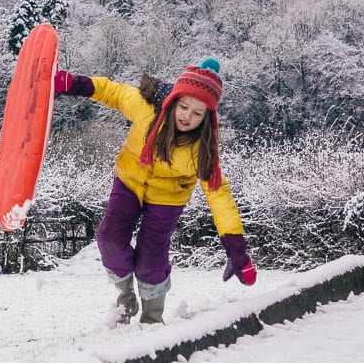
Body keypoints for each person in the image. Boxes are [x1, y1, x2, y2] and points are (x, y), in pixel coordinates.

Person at [54, 57, 256, 324]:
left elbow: (219, 196)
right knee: (109, 240)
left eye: (197, 113)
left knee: (151, 258)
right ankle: (126, 300)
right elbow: (111, 91)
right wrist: (70, 83)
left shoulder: (203, 150)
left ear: (208, 118)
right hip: (130, 180)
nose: (187, 116)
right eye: (184, 107)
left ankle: (152, 317)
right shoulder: (145, 107)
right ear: (173, 100)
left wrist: (236, 249)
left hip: (168, 199)